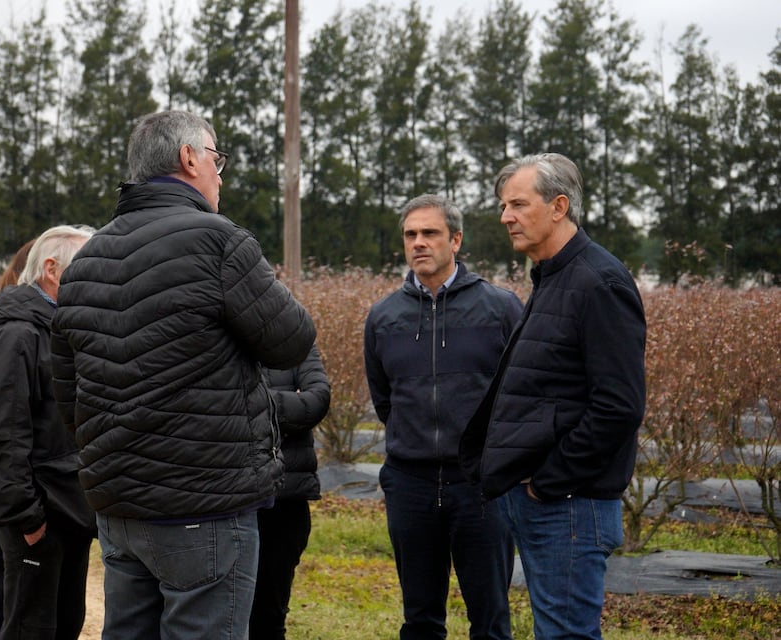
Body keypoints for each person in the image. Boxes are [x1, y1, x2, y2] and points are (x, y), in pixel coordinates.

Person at [50, 109, 316, 640]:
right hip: (206, 506)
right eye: (217, 160)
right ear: (189, 158)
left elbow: (68, 393)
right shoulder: (218, 242)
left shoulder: (85, 261)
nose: (220, 175)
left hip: (120, 509)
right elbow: (291, 339)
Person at [459, 153, 646, 640]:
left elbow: (619, 405)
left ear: (559, 206)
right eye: (503, 206)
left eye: (518, 204)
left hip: (570, 505)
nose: (505, 217)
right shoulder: (553, 278)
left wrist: (549, 480)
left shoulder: (598, 282)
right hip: (549, 501)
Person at [363, 193, 523, 640]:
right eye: (411, 234)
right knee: (420, 617)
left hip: (481, 486)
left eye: (430, 233)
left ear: (455, 240)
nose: (419, 243)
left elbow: (521, 391)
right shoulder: (383, 317)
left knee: (490, 617)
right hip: (409, 484)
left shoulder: (500, 308)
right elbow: (385, 401)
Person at [0, 225, 97, 640]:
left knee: (63, 625)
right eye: (89, 269)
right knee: (31, 628)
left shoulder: (59, 330)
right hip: (39, 519)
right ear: (52, 270)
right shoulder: (17, 333)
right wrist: (28, 519)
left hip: (69, 514)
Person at [0, 237, 36, 640]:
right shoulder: (13, 335)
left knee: (14, 604)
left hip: (16, 495)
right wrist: (24, 514)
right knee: (7, 607)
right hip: (13, 501)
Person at [250, 344, 330, 640]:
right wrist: (285, 405)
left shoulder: (294, 340)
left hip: (285, 502)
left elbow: (317, 400)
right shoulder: (215, 333)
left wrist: (246, 405)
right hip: (226, 500)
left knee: (269, 617)